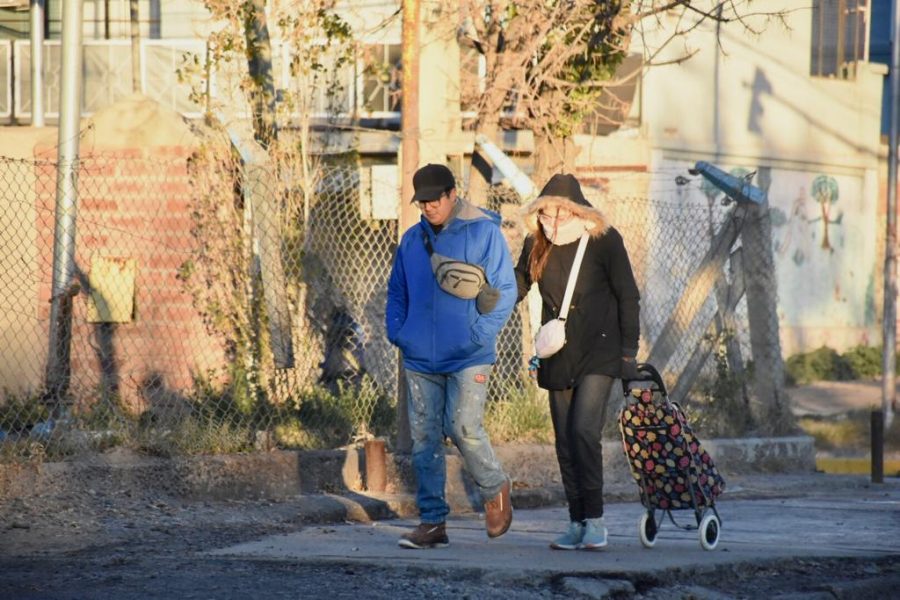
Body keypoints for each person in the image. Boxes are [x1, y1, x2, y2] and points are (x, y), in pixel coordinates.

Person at [386, 163, 517, 549]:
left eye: (434, 200)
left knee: (463, 426)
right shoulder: (411, 241)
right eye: (421, 202)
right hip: (419, 358)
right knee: (424, 440)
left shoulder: (483, 233)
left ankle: (495, 487)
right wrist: (399, 333)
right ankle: (432, 522)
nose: (427, 207)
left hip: (469, 355)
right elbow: (397, 292)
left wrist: (478, 334)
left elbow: (505, 290)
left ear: (451, 195)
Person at [514, 173, 640, 551]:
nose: (553, 222)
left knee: (585, 430)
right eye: (546, 214)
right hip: (559, 351)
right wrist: (483, 304)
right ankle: (576, 520)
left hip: (601, 349)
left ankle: (596, 521)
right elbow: (517, 286)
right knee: (565, 439)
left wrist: (628, 353)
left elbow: (628, 295)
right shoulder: (536, 244)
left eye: (561, 213)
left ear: (577, 211)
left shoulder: (604, 241)